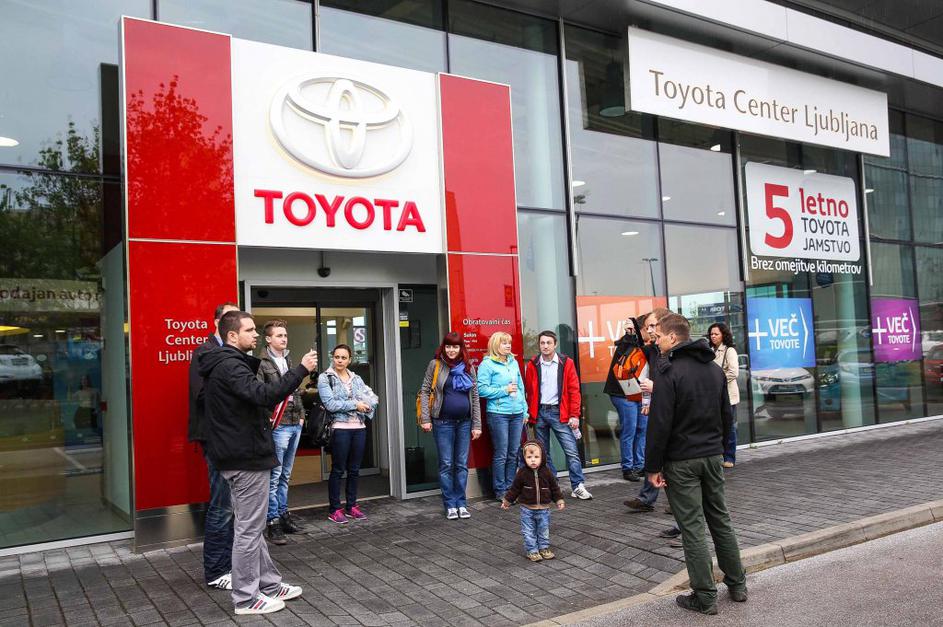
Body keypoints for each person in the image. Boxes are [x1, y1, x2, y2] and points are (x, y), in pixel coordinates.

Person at [198, 311, 317, 615]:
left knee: (251, 525)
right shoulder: (229, 366)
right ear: (232, 335)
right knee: (249, 531)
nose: (255, 334)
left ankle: (269, 584)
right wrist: (300, 370)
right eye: (249, 330)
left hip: (242, 454)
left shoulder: (226, 364)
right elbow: (264, 394)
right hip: (245, 457)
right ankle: (246, 598)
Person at [645, 313, 747, 615]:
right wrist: (723, 451)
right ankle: (738, 584)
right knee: (720, 520)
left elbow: (660, 425)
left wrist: (653, 467)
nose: (655, 341)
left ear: (673, 337)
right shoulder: (714, 370)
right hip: (712, 456)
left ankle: (704, 596)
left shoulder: (668, 372)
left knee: (692, 528)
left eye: (658, 336)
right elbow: (726, 416)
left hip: (681, 461)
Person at [187, 301, 238, 591]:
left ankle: (230, 564)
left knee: (231, 504)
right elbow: (202, 395)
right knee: (222, 505)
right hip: (215, 437)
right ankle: (217, 570)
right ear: (217, 322)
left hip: (231, 437)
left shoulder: (232, 352)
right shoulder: (205, 352)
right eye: (230, 317)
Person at [258, 320, 315, 545]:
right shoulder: (261, 363)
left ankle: (283, 515)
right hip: (278, 424)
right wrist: (269, 418)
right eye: (279, 335)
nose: (284, 338)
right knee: (274, 476)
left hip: (294, 422)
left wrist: (301, 415)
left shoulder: (289, 360)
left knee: (286, 475)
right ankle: (272, 522)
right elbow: (262, 394)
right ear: (268, 339)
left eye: (285, 335)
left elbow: (295, 391)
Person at [419, 332, 482, 520]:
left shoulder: (468, 367)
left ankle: (461, 503)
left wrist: (477, 424)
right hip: (442, 422)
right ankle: (450, 505)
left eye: (455, 346)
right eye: (448, 346)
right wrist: (425, 418)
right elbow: (425, 391)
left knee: (461, 464)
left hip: (465, 422)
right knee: (446, 464)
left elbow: (475, 396)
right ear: (443, 347)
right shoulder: (435, 365)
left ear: (461, 348)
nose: (451, 350)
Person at [523, 330, 592, 500]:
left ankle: (577, 486)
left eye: (549, 343)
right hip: (539, 413)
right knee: (543, 453)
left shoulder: (566, 363)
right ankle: (552, 485)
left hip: (559, 413)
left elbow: (574, 390)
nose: (545, 346)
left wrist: (574, 414)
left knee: (571, 451)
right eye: (542, 343)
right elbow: (529, 391)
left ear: (555, 345)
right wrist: (530, 413)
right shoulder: (533, 364)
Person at [318, 344, 378, 524]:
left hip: (359, 428)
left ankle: (351, 506)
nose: (340, 360)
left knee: (354, 470)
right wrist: (355, 405)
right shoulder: (325, 378)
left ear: (349, 360)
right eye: (337, 357)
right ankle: (334, 509)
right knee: (338, 469)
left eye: (344, 358)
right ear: (333, 357)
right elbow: (331, 405)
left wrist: (367, 405)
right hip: (340, 428)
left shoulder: (356, 378)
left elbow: (371, 398)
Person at [477, 331, 527, 501]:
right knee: (502, 453)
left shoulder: (513, 362)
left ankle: (510, 489)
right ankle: (500, 490)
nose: (508, 346)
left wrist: (525, 411)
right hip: (498, 415)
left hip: (517, 414)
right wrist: (504, 390)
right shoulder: (487, 364)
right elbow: (481, 390)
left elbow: (520, 388)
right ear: (495, 345)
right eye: (504, 343)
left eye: (509, 343)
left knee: (513, 453)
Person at [501, 440, 565, 561]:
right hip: (527, 509)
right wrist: (507, 501)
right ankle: (532, 550)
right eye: (529, 457)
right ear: (524, 458)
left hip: (544, 509)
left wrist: (559, 500)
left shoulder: (547, 472)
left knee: (543, 530)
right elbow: (514, 489)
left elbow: (554, 488)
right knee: (528, 531)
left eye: (536, 457)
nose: (533, 460)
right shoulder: (522, 473)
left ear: (542, 457)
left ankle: (544, 548)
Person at [604, 317, 649, 481]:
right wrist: (630, 334)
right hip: (622, 392)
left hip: (642, 392)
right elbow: (623, 346)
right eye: (647, 328)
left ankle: (640, 465)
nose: (650, 331)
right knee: (630, 429)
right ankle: (628, 468)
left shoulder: (650, 345)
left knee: (642, 429)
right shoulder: (627, 343)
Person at [708, 322, 740, 468]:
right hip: (714, 395)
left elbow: (734, 372)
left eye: (716, 334)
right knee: (717, 426)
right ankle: (718, 455)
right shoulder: (710, 350)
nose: (713, 336)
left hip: (728, 395)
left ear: (723, 335)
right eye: (711, 334)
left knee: (729, 426)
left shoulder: (729, 351)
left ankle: (730, 457)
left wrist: (717, 380)